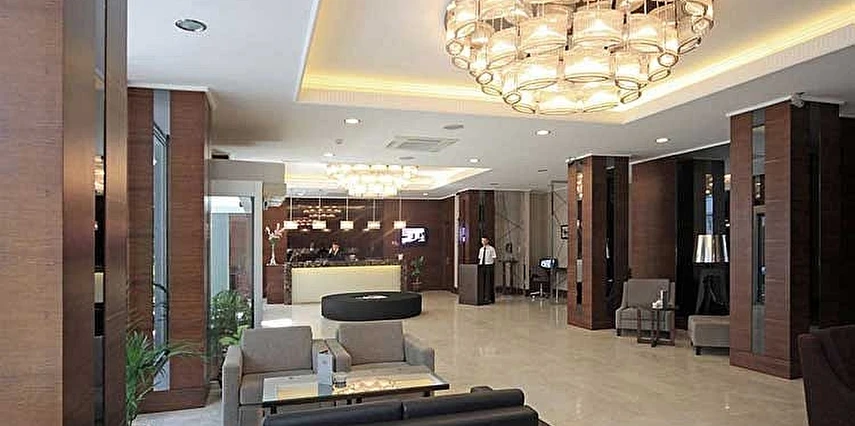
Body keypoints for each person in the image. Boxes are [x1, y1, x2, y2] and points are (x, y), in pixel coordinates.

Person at [477, 236, 497, 304]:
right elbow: (480, 258)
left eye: (485, 240)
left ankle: (489, 298)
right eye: (482, 241)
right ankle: (483, 297)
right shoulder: (481, 249)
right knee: (482, 282)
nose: (483, 242)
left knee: (489, 282)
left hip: (489, 265)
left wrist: (492, 266)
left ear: (487, 241)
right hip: (482, 266)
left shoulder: (491, 249)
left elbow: (494, 258)